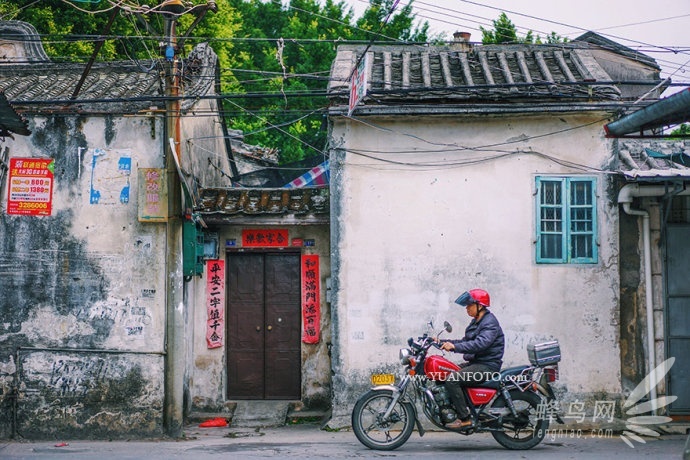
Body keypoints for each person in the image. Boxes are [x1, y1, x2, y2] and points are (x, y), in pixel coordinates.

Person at [437, 288, 505, 430]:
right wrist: (441, 342)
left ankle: (465, 419)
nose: (467, 308)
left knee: (452, 379)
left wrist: (454, 347)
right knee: (445, 372)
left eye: (469, 305)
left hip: (487, 366)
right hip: (477, 362)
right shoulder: (477, 322)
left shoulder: (489, 323)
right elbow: (465, 341)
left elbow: (480, 344)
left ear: (480, 306)